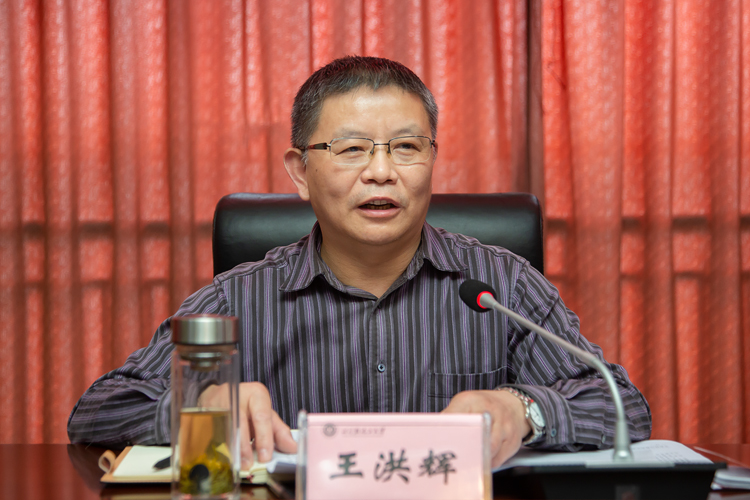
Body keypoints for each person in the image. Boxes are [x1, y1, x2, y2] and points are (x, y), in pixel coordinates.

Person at [68, 56, 651, 470]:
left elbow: (620, 403)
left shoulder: (501, 286)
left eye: (407, 147)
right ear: (300, 172)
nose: (381, 172)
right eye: (351, 149)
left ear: (432, 160)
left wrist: (523, 409)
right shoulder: (236, 299)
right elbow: (98, 412)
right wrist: (199, 406)